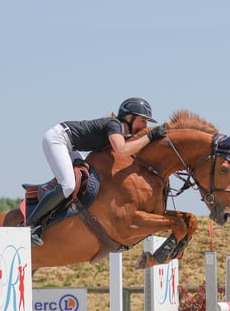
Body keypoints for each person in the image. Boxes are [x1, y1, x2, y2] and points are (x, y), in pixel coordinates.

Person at [29, 97, 168, 246]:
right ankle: (31, 225)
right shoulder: (114, 125)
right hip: (57, 139)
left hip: (71, 147)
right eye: (143, 120)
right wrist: (150, 136)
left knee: (81, 179)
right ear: (129, 118)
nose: (145, 125)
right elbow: (122, 150)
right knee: (68, 185)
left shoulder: (121, 132)